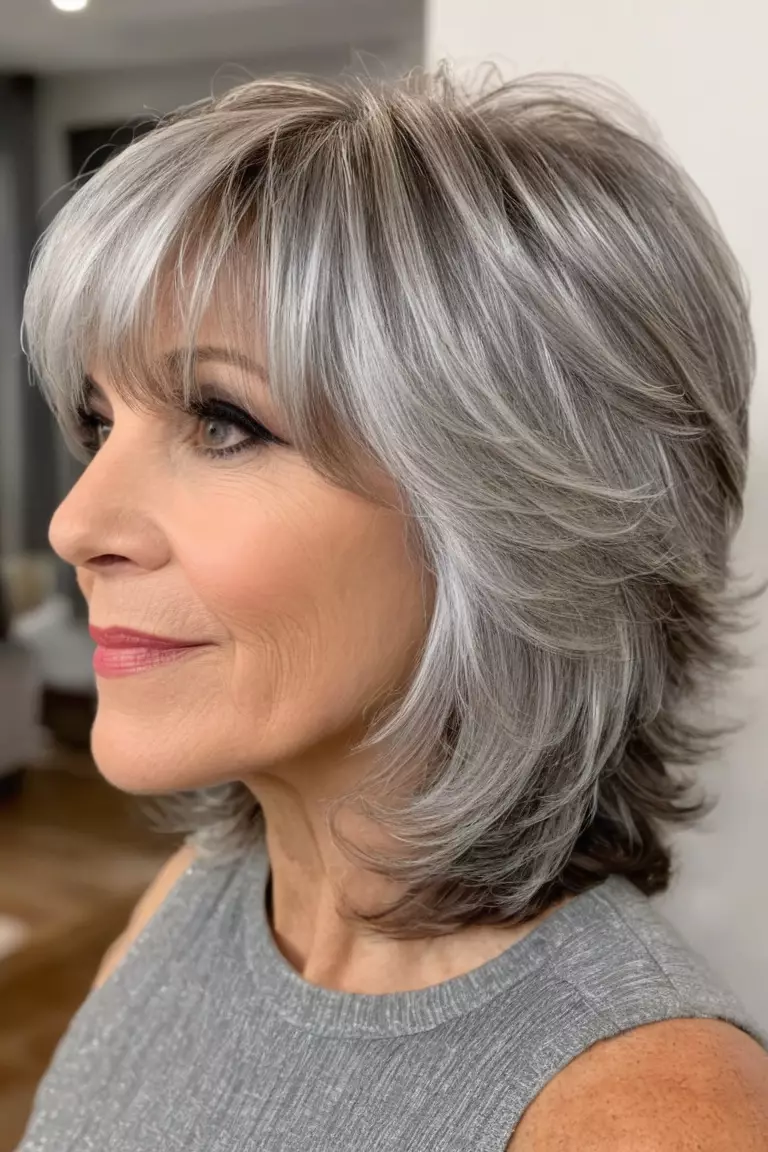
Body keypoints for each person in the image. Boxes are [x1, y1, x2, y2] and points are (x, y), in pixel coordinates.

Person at [17, 66, 768, 1150]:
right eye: (101, 422)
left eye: (223, 421)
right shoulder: (204, 897)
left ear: (515, 511)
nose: (77, 523)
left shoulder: (647, 1115)